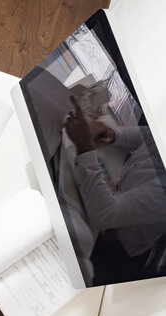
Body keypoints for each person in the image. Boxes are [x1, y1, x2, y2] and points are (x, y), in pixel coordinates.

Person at [65, 97, 166, 284]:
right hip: (111, 200)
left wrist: (85, 148)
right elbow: (147, 135)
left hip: (113, 244)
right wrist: (112, 134)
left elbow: (105, 214)